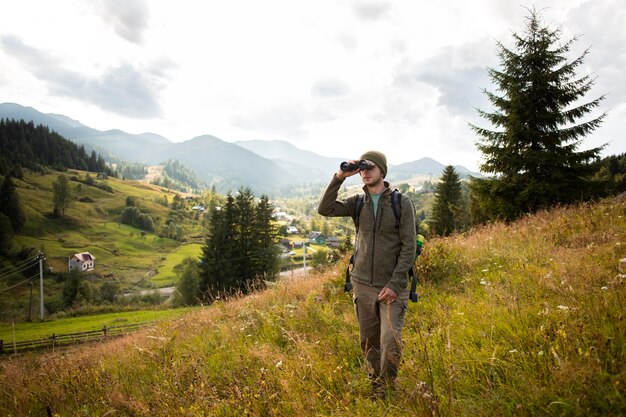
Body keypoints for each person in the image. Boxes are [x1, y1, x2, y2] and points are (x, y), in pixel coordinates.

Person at [317, 150, 416, 397]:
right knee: (369, 341)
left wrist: (395, 284)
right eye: (362, 168)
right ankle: (376, 385)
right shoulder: (357, 202)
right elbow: (324, 209)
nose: (365, 172)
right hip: (361, 283)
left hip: (393, 285)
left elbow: (409, 247)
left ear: (382, 171)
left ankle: (388, 386)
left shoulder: (401, 202)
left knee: (390, 340)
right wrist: (340, 176)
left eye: (370, 167)